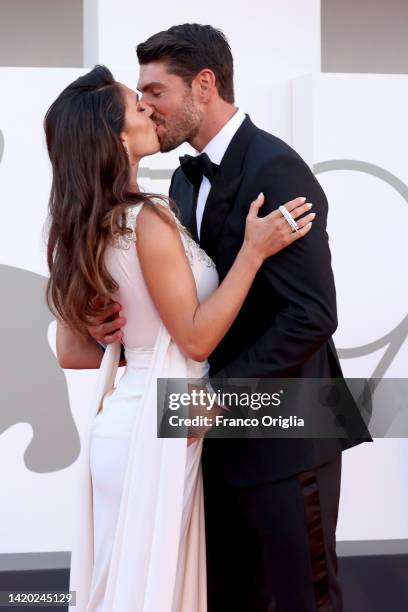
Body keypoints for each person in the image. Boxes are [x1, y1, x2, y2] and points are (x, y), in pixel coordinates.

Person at [88, 24, 372, 611]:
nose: (145, 106)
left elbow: (313, 315)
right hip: (212, 440)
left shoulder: (277, 170)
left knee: (306, 600)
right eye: (139, 96)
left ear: (205, 84)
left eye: (155, 92)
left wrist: (220, 396)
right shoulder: (184, 181)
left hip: (290, 428)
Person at [44, 65, 313, 611]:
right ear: (117, 136)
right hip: (162, 426)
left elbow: (73, 351)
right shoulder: (145, 217)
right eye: (137, 108)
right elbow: (194, 340)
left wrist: (116, 333)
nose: (150, 112)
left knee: (125, 590)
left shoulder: (82, 219)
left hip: (129, 424)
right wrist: (252, 253)